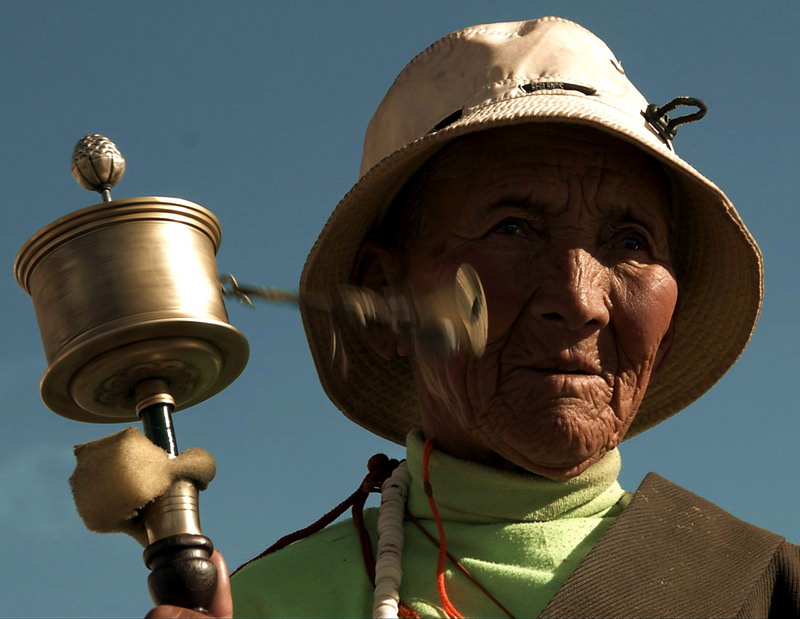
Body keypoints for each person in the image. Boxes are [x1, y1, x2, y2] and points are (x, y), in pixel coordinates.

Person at [148, 16, 799, 618]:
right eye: (513, 228)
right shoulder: (270, 606)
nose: (580, 299)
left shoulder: (766, 590)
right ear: (383, 303)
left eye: (631, 242)